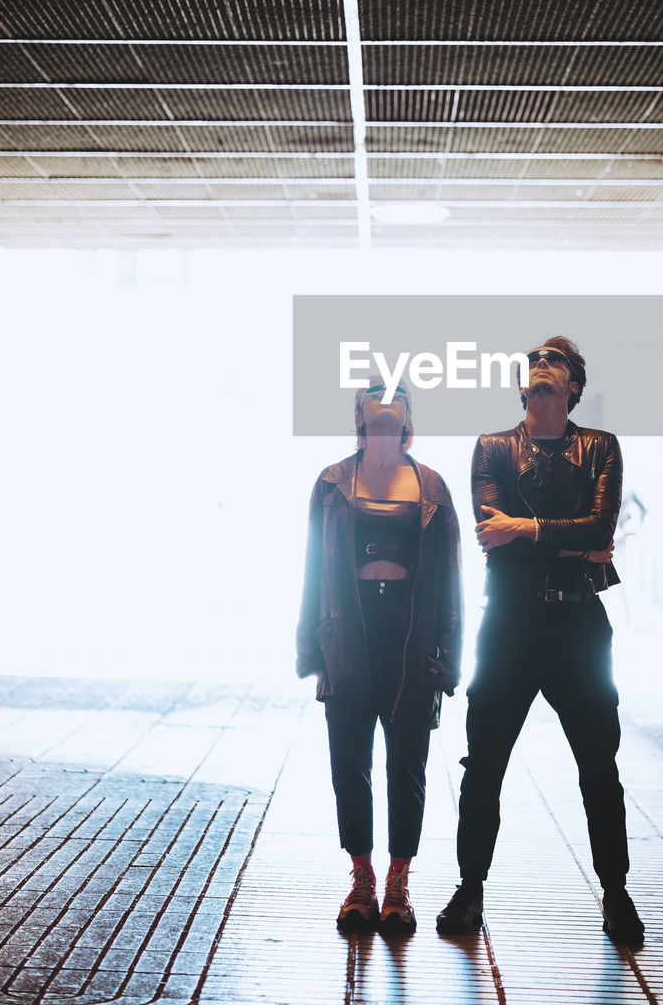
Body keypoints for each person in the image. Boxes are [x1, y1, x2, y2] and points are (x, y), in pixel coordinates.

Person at [436, 337, 644, 946]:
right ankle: (469, 890)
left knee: (599, 768)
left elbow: (602, 527)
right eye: (533, 368)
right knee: (483, 767)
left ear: (574, 386)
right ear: (523, 388)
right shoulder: (493, 448)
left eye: (554, 366)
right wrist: (574, 543)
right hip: (509, 623)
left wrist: (525, 529)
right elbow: (488, 531)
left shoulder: (600, 447)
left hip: (579, 625)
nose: (541, 372)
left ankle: (616, 894)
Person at [297, 378, 462, 934]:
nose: (384, 402)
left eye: (396, 397)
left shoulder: (433, 486)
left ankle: (398, 882)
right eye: (374, 396)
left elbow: (451, 580)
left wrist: (449, 653)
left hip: (411, 632)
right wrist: (310, 646)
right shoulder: (331, 483)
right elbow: (313, 570)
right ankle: (361, 878)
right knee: (349, 763)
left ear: (409, 417)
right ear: (360, 416)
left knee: (408, 765)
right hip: (348, 628)